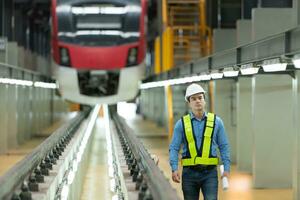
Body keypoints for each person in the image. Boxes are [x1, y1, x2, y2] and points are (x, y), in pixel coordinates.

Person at [169, 83, 231, 200]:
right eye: (194, 99)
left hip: (210, 174)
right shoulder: (181, 124)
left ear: (204, 100)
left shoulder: (217, 122)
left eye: (200, 98)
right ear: (189, 102)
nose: (197, 101)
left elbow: (224, 146)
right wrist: (174, 168)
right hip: (189, 174)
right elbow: (174, 148)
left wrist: (226, 168)